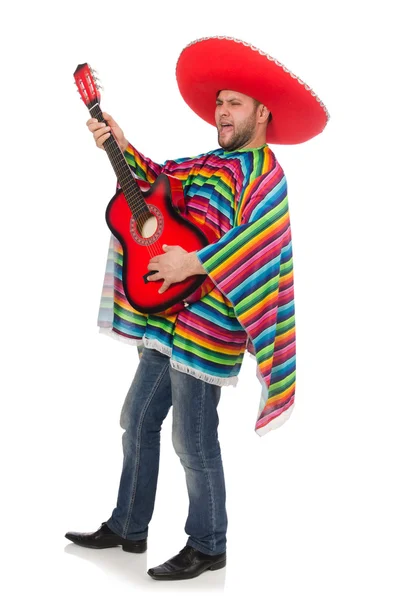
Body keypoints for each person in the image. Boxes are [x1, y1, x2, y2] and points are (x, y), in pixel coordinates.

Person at [65, 36, 329, 581]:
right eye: (219, 103)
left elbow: (258, 243)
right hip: (168, 320)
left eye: (234, 103)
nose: (222, 112)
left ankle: (209, 544)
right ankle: (128, 527)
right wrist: (118, 141)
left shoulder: (265, 175)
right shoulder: (210, 164)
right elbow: (156, 180)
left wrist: (193, 263)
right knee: (136, 419)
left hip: (210, 327)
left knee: (193, 437)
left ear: (262, 111)